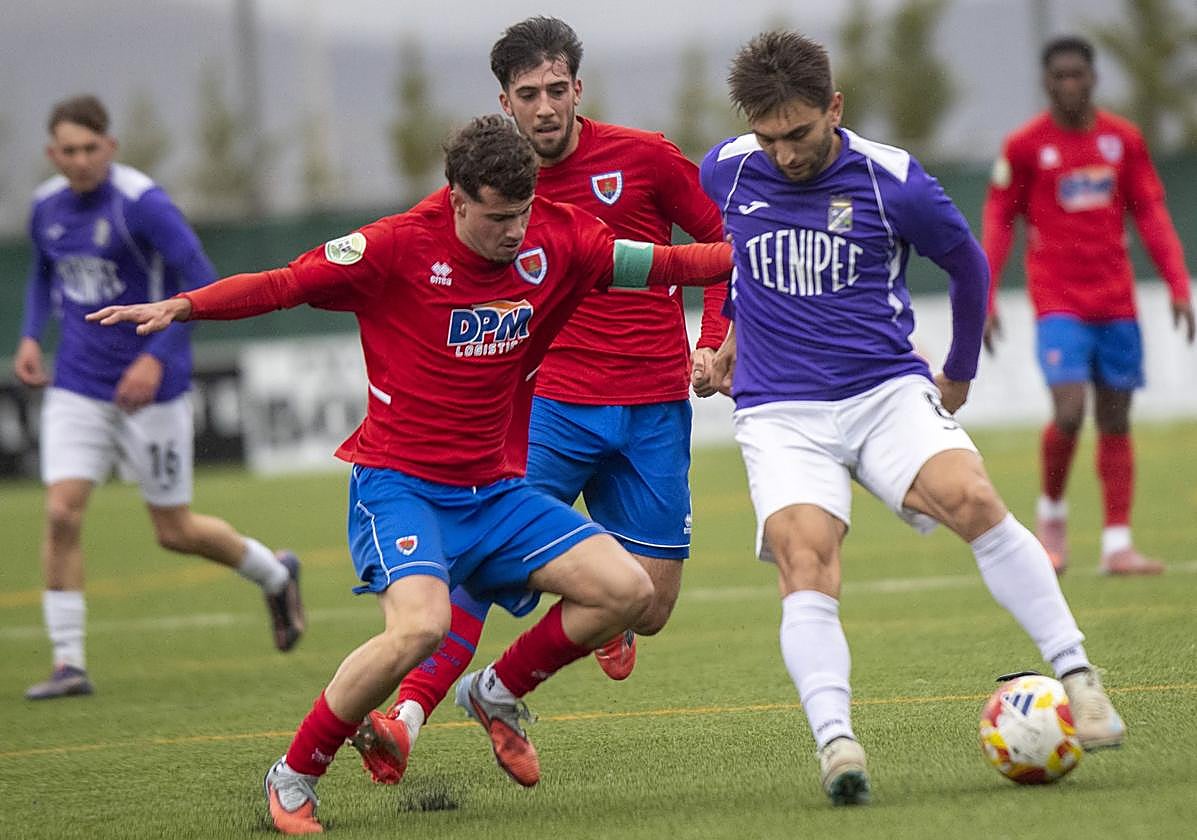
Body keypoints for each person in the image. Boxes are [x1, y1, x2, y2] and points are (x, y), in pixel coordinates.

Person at [88, 114, 731, 835]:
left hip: (496, 492)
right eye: (496, 218)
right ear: (457, 199)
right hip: (400, 486)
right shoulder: (392, 247)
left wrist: (744, 257)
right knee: (419, 629)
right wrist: (184, 305)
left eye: (521, 213)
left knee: (627, 593)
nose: (513, 231)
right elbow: (282, 284)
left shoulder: (560, 236)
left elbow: (667, 265)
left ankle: (497, 691)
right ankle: (295, 774)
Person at [698, 31, 1126, 806]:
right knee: (806, 556)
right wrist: (723, 339)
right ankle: (836, 743)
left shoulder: (891, 179)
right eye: (769, 137)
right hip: (780, 410)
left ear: (833, 108)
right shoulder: (725, 170)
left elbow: (967, 263)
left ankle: (1077, 676)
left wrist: (958, 370)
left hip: (882, 391)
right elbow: (726, 258)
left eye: (798, 133)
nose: (785, 153)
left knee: (974, 499)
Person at [349, 16, 730, 789]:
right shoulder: (488, 193)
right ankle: (408, 718)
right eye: (530, 94)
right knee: (475, 566)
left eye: (558, 90)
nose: (547, 107)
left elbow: (722, 240)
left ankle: (565, 626)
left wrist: (713, 337)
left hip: (654, 399)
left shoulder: (645, 157)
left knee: (648, 607)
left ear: (578, 89)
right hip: (549, 404)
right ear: (505, 101)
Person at [13, 94, 305, 701]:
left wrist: (154, 358)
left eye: (92, 148)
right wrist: (28, 337)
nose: (81, 159)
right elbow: (43, 275)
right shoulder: (44, 208)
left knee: (173, 529)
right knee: (61, 511)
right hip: (77, 384)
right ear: (52, 153)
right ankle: (69, 663)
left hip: (155, 390)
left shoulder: (142, 204)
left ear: (110, 147)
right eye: (68, 150)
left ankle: (276, 574)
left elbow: (201, 283)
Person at [981, 35, 1194, 576]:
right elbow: (1000, 222)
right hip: (1058, 302)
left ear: (1093, 79)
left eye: (1078, 75)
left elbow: (1150, 213)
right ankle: (1051, 517)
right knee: (1071, 411)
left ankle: (1117, 544)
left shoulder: (1122, 140)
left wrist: (1176, 285)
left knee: (1117, 418)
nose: (1069, 85)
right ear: (1047, 82)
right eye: (1059, 76)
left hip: (1117, 302)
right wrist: (984, 296)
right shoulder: (1026, 146)